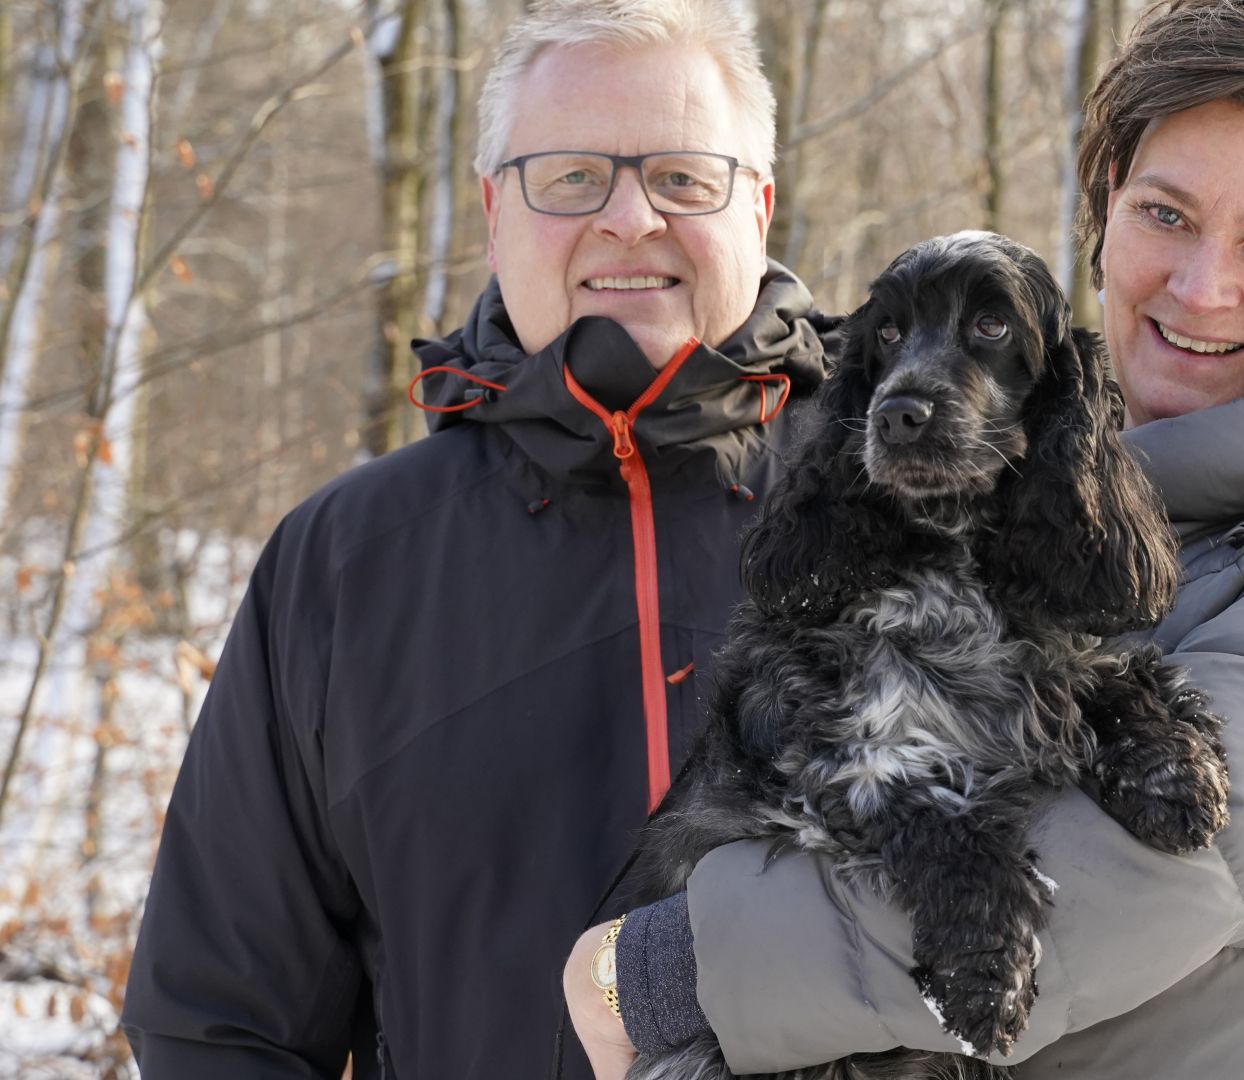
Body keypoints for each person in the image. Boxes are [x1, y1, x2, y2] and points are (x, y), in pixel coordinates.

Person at [562, 2, 1244, 1079]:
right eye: (1165, 214)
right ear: (1107, 215)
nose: (1200, 286)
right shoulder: (997, 519)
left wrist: (634, 973)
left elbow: (1119, 887)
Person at [119, 1, 830, 1075]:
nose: (630, 217)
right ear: (495, 212)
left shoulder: (914, 505)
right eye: (571, 177)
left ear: (759, 207)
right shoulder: (344, 566)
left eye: (684, 176)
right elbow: (221, 1021)